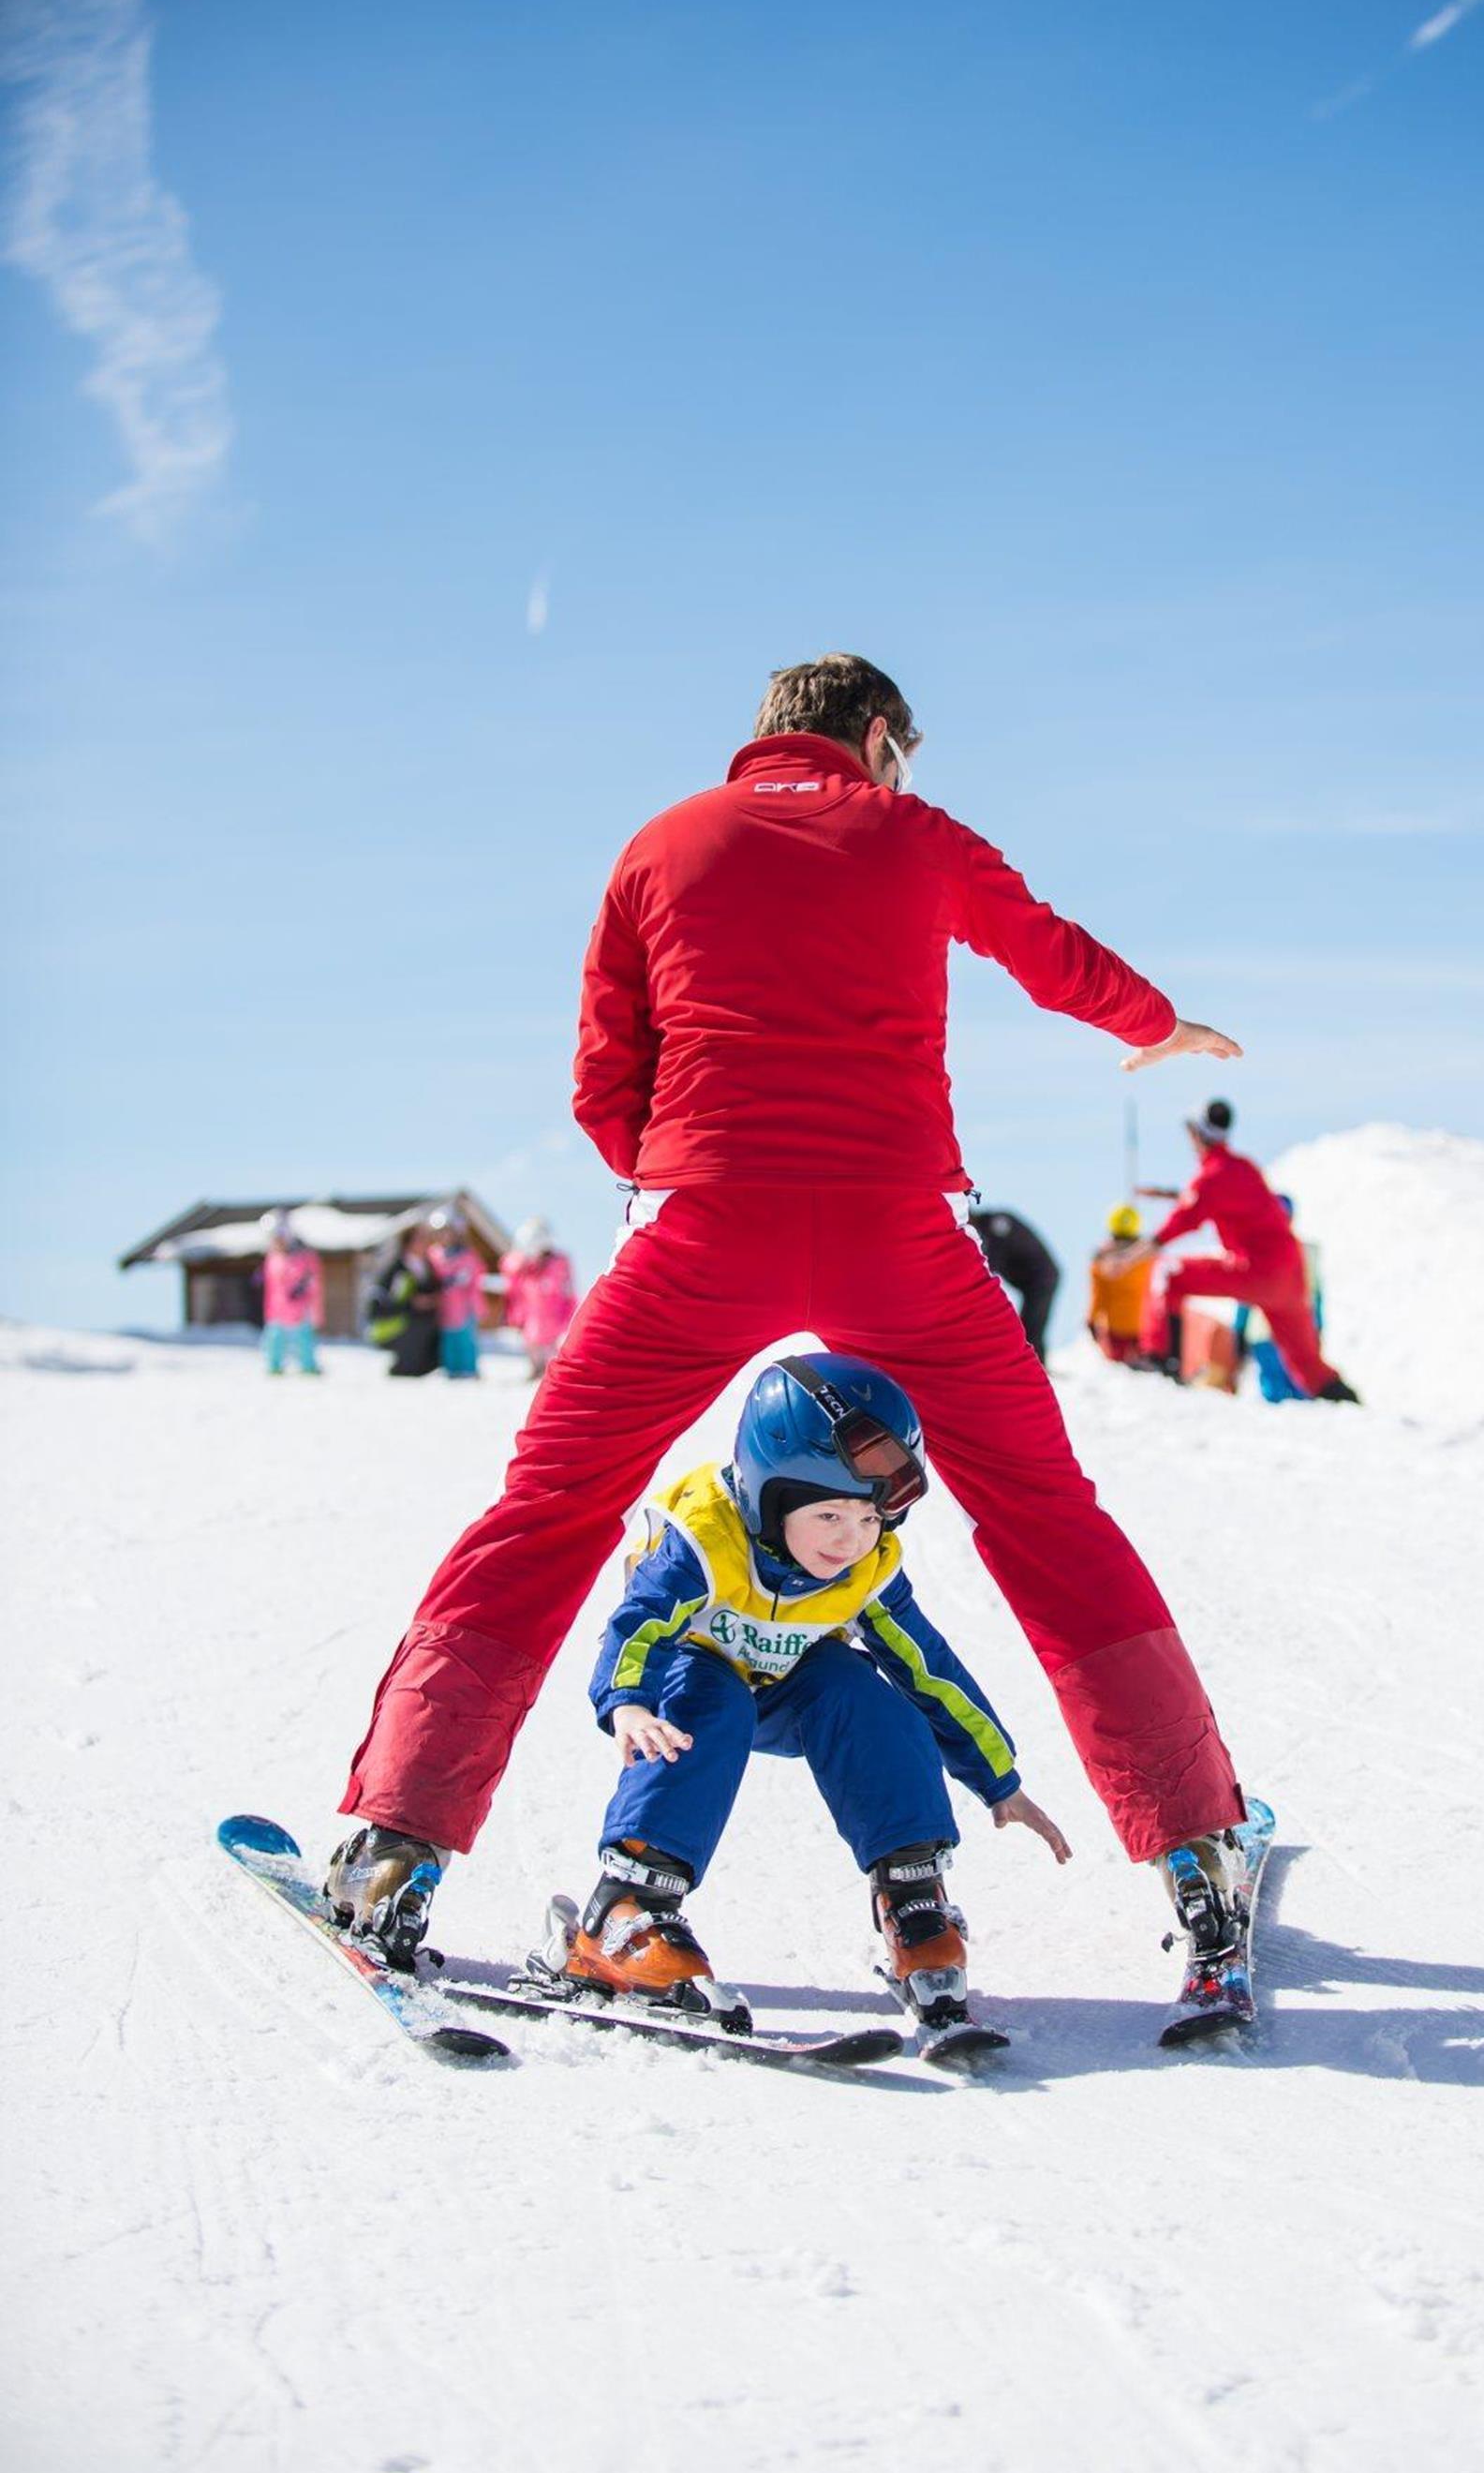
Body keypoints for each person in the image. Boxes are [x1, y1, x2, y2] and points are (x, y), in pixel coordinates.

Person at [326, 650, 1253, 1996]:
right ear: (876, 741)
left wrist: (688, 1163)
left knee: (549, 1511)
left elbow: (603, 1074)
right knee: (1049, 1516)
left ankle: (396, 1849)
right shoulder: (913, 834)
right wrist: (1155, 1022)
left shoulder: (661, 845)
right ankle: (1198, 1852)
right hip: (900, 1234)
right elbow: (1046, 950)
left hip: (703, 1225)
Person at [518, 1354, 1070, 2033]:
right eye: (830, 1515)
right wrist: (626, 1702)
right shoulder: (707, 1539)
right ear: (768, 1494)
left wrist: (998, 1778)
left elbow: (930, 1669)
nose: (851, 1539)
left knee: (865, 1695)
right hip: (693, 1679)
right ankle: (625, 1912)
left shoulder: (862, 1570)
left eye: (870, 1518)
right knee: (709, 1702)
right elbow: (638, 1625)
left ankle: (913, 1899)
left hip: (789, 1688)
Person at [1138, 1102, 1358, 1402]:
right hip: (1289, 1274)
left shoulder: (1211, 1176)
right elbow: (1216, 1198)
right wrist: (1170, 1194)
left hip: (1254, 1271)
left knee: (1169, 1272)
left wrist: (1133, 1253)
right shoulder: (1243, 1167)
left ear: (1195, 1135)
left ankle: (1163, 1363)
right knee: (1309, 1367)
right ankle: (1350, 1404)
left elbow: (1186, 1217)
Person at [1236, 1195, 1322, 1405]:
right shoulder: (1304, 1251)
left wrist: (1238, 1330)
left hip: (1282, 1333)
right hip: (1274, 1333)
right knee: (1285, 1391)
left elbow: (1316, 1294)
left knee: (1292, 1391)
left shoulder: (1303, 1251)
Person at [970, 1206, 1061, 1361]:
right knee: (1029, 1325)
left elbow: (990, 1265)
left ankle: (1036, 1367)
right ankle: (1034, 1364)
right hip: (1032, 1282)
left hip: (1043, 1277)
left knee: (1032, 1326)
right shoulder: (991, 1228)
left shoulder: (996, 1224)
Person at [501, 1217, 578, 1378]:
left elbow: (568, 1291)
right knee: (532, 1344)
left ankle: (549, 1372)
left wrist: (568, 1315)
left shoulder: (559, 1262)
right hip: (531, 1315)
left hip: (554, 1315)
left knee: (551, 1347)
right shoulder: (525, 1265)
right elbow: (510, 1273)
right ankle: (535, 1369)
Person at [366, 1225, 444, 1378]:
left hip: (426, 1325)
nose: (425, 1242)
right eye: (420, 1239)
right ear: (408, 1242)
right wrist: (413, 1303)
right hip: (396, 1324)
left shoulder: (428, 1267)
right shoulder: (398, 1270)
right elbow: (384, 1303)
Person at [1087, 1202, 1159, 1363]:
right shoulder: (1149, 1259)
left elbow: (1099, 1297)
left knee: (1119, 1371)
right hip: (1145, 1326)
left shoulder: (1100, 1260)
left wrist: (1091, 1321)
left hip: (1116, 1330)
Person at [259, 1210, 323, 1376]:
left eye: (279, 1237)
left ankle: (308, 1367)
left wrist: (302, 1289)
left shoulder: (304, 1256)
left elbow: (312, 1280)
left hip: (300, 1309)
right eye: (273, 1238)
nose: (277, 1241)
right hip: (277, 1310)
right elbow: (271, 1286)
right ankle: (275, 1367)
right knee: (275, 1341)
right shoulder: (273, 1258)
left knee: (303, 1341)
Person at [427, 1207, 484, 1380]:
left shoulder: (467, 1255)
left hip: (465, 1307)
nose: (443, 1237)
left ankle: (469, 1370)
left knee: (465, 1340)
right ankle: (450, 1370)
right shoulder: (434, 1253)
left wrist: (457, 1280)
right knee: (448, 1340)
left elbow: (473, 1275)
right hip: (444, 1308)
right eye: (439, 1233)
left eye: (447, 1232)